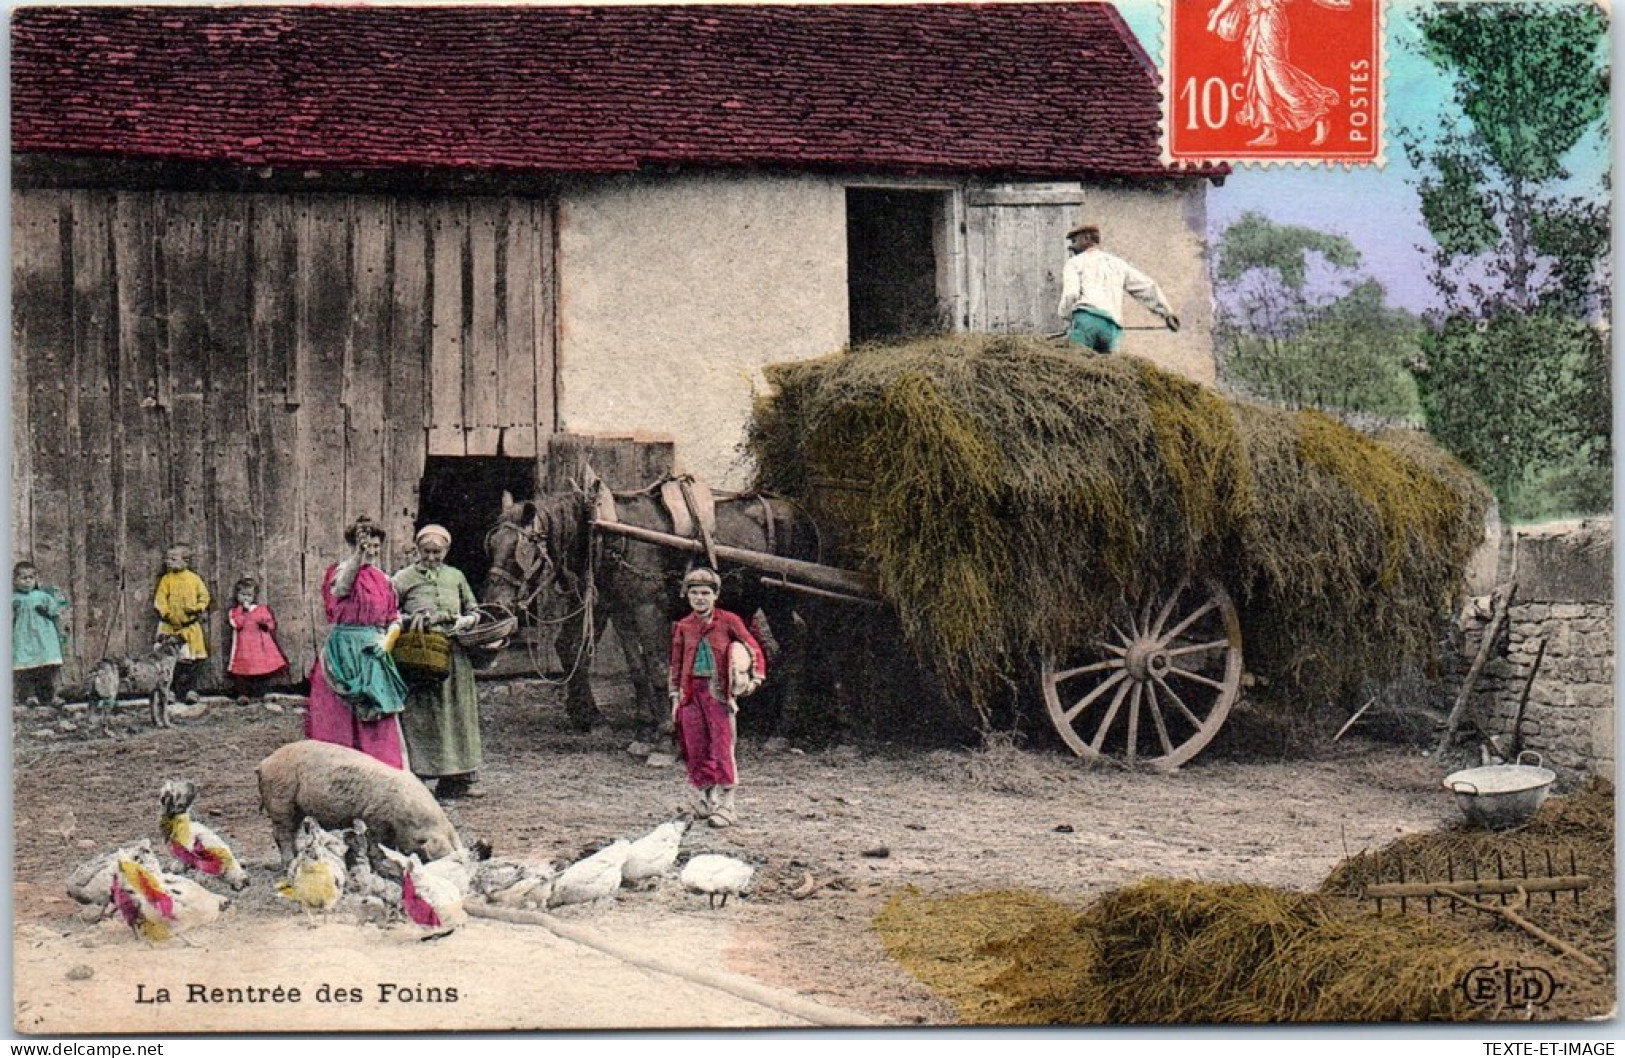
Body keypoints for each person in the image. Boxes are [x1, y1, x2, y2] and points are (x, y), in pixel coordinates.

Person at [306, 517, 411, 769]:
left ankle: (380, 770)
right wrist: (358, 557)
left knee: (376, 710)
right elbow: (342, 588)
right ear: (354, 546)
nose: (372, 552)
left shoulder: (384, 580)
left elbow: (394, 617)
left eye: (376, 546)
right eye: (367, 546)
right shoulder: (341, 572)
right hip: (342, 649)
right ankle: (337, 770)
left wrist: (388, 640)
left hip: (373, 650)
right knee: (337, 713)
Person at [668, 567, 765, 828]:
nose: (700, 599)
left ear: (715, 596)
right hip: (690, 694)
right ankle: (707, 799)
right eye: (695, 593)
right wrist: (675, 696)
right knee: (695, 747)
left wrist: (753, 679)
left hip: (718, 693)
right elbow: (676, 664)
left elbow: (752, 646)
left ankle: (728, 804)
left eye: (705, 594)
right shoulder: (684, 626)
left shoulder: (728, 620)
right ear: (687, 596)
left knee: (722, 746)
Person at [392, 524, 483, 799]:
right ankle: (419, 776)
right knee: (422, 714)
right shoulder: (402, 578)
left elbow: (474, 609)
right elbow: (388, 612)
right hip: (420, 654)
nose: (431, 557)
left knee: (456, 714)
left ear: (446, 551)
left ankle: (457, 779)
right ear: (417, 550)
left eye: (437, 552)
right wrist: (410, 619)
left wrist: (467, 619)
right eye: (426, 551)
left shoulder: (456, 576)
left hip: (453, 654)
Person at [1207, 0, 1339, 147]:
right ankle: (1269, 130)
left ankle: (1319, 116)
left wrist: (1216, 17)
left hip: (1270, 20)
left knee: (1276, 75)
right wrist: (1217, 16)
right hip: (1255, 21)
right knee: (1258, 74)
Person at [1057, 225, 1181, 354]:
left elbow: (1071, 294)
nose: (1071, 247)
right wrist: (1167, 313)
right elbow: (1146, 286)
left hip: (1086, 321)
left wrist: (1066, 317)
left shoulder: (1074, 263)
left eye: (1074, 241)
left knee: (1072, 362)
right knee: (1109, 370)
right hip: (1112, 328)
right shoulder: (1118, 264)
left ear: (1086, 238)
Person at [154, 543, 210, 702]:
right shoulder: (166, 580)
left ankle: (189, 690)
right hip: (170, 627)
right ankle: (169, 691)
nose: (168, 562)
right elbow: (160, 599)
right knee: (170, 661)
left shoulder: (194, 579)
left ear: (185, 561)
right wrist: (166, 613)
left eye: (173, 559)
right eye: (167, 559)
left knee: (193, 661)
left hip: (189, 627)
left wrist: (198, 608)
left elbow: (204, 597)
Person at [13, 562, 69, 706]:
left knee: (49, 666)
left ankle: (54, 696)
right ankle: (31, 696)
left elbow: (55, 614)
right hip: (23, 637)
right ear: (15, 580)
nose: (27, 581)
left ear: (36, 579)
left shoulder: (43, 597)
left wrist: (59, 633)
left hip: (44, 637)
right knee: (27, 667)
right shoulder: (13, 599)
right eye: (23, 577)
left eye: (31, 577)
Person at [225, 576, 289, 702]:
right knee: (242, 669)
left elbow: (270, 624)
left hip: (260, 646)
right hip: (243, 646)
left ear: (254, 596)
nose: (245, 598)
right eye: (242, 594)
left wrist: (264, 624)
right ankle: (243, 694)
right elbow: (237, 624)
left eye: (248, 595)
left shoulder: (261, 609)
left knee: (262, 668)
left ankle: (262, 692)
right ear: (237, 595)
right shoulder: (235, 611)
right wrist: (244, 611)